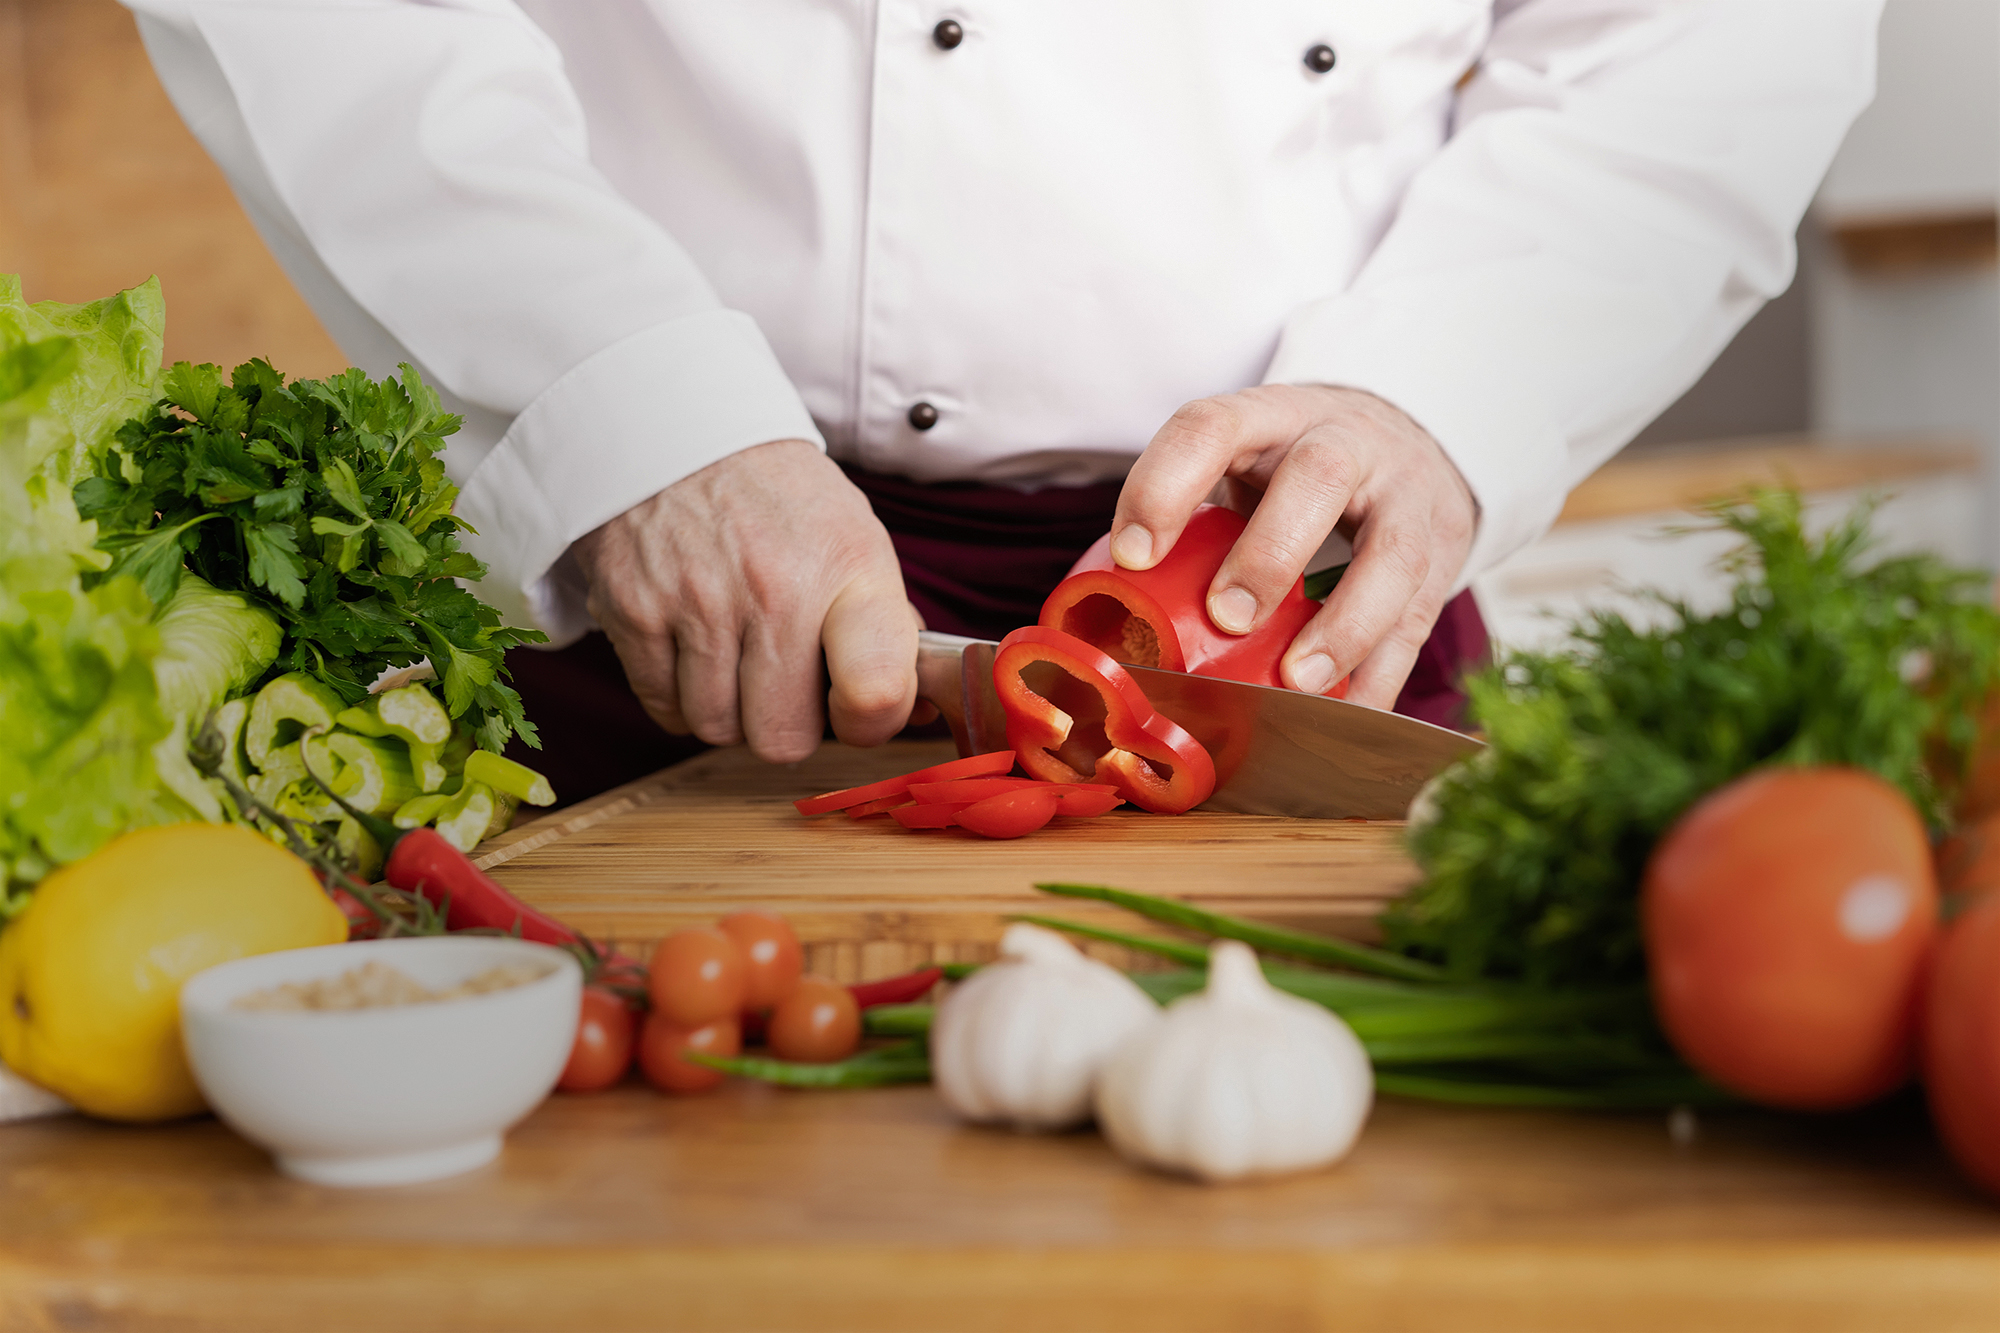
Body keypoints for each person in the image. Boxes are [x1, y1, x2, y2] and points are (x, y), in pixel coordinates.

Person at [125, 1, 1881, 800]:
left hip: (1300, 607)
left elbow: (1715, 33)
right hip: (670, 568)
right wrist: (614, 391)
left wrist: (1444, 390)